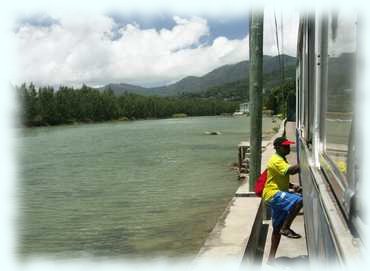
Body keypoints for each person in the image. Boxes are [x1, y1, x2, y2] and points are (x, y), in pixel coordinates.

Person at [262, 136, 303, 262]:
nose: (288, 147)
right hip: (273, 194)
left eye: (288, 145)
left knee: (276, 229)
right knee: (299, 200)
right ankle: (286, 228)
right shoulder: (276, 160)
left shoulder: (282, 159)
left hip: (277, 194)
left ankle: (271, 259)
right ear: (278, 147)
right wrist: (307, 162)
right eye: (285, 146)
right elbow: (290, 171)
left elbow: (278, 177)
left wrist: (292, 186)